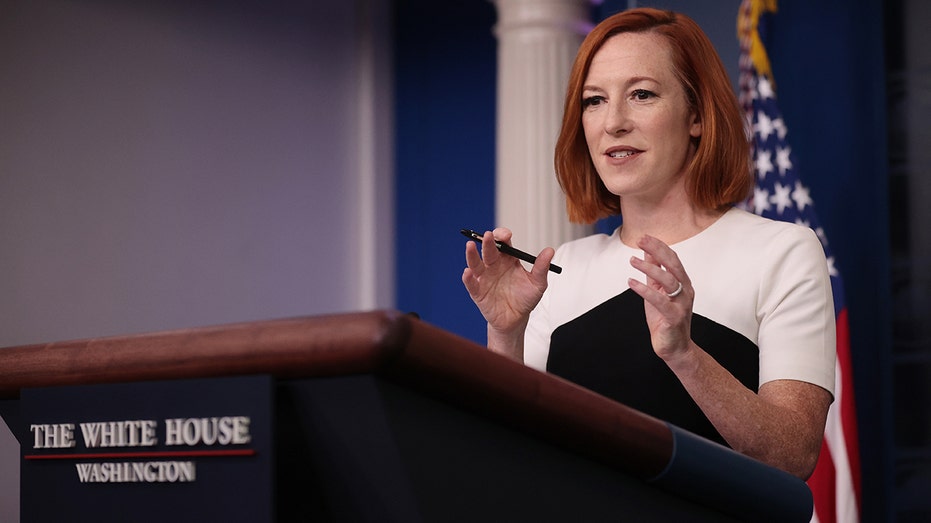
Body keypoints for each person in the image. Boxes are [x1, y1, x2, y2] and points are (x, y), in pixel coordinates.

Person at [462, 7, 834, 480]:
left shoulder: (782, 252)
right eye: (594, 101)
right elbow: (509, 457)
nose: (613, 122)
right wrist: (505, 335)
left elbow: (793, 455)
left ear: (696, 116)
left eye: (641, 94)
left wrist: (685, 354)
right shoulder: (559, 270)